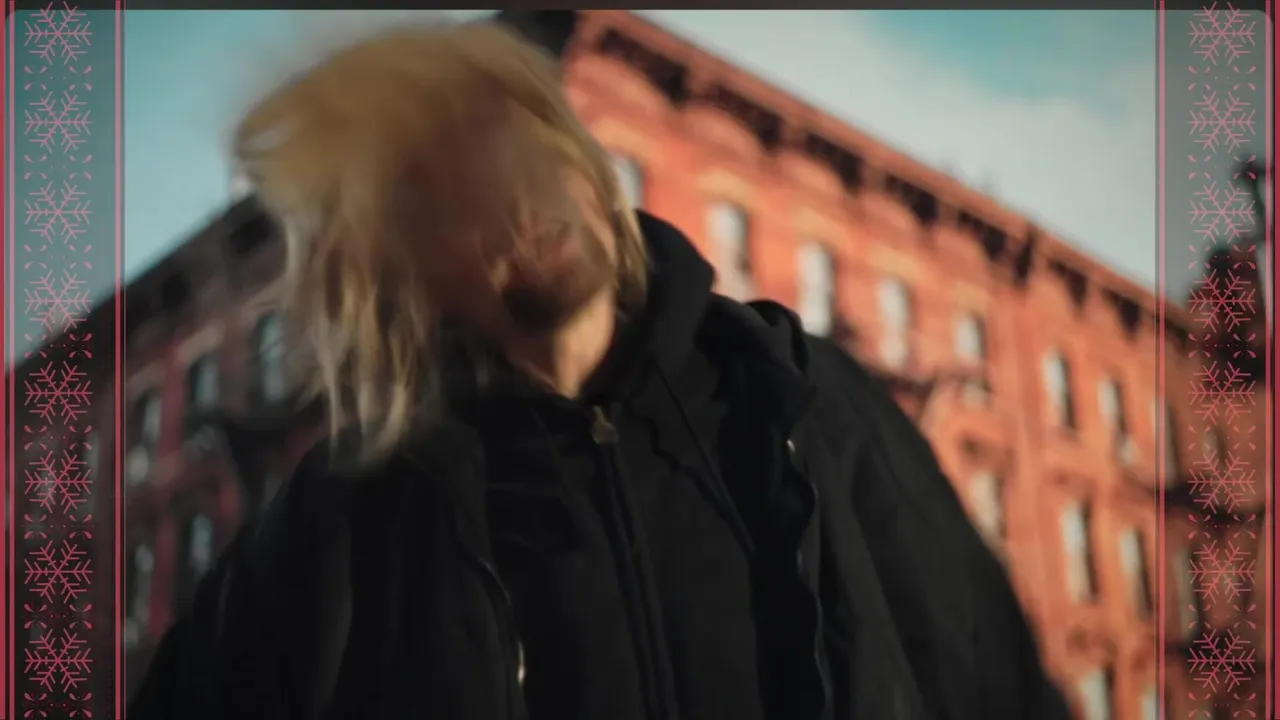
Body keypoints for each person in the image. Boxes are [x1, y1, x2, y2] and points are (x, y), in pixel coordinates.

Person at [128, 19, 1071, 720]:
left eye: (523, 145)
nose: (517, 196)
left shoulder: (806, 403)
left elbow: (998, 687)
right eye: (458, 188)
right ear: (405, 268)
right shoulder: (354, 511)